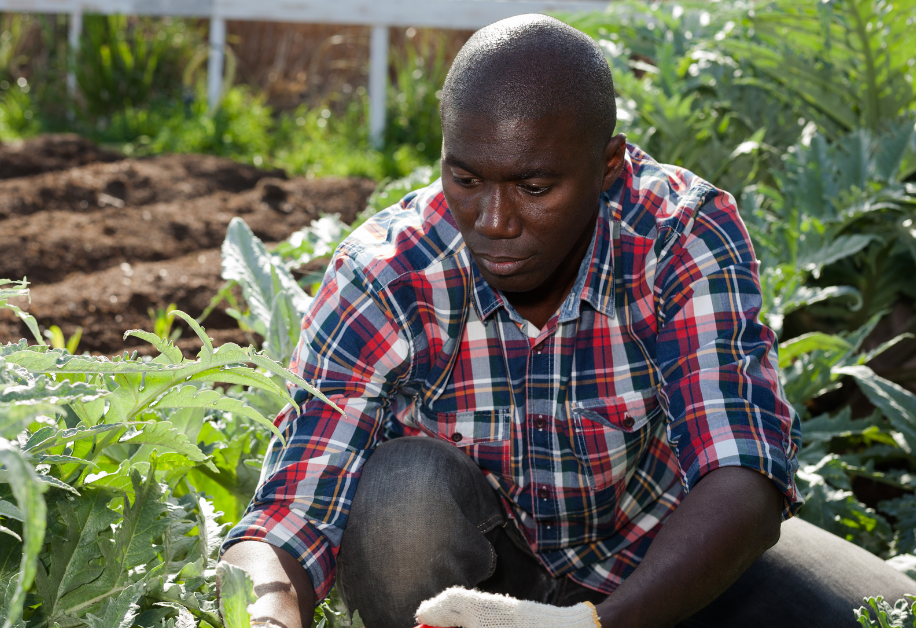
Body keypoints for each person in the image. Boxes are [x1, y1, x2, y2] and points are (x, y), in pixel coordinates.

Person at [218, 14, 916, 628]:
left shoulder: (679, 235)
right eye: (465, 179)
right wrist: (269, 607)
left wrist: (594, 626)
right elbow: (291, 512)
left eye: (534, 186)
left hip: (666, 562)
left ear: (608, 165)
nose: (493, 222)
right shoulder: (388, 272)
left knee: (889, 612)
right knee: (402, 499)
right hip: (480, 585)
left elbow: (743, 472)